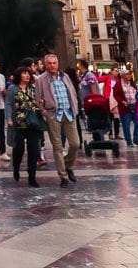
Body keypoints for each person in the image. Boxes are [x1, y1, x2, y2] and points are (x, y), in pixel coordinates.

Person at [34, 53, 80, 188]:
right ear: (46, 64)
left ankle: (68, 165)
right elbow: (38, 99)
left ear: (58, 63)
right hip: (54, 115)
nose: (52, 65)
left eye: (54, 63)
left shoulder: (65, 77)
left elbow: (72, 93)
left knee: (75, 144)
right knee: (58, 146)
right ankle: (63, 176)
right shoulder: (41, 80)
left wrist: (75, 108)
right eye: (49, 63)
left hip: (69, 113)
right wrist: (45, 112)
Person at [11, 65, 45, 187]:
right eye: (24, 73)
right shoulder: (13, 89)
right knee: (19, 148)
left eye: (28, 74)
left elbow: (39, 101)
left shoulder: (33, 88)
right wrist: (8, 118)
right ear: (19, 75)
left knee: (34, 150)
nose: (27, 75)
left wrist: (40, 103)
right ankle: (16, 168)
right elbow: (8, 104)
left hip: (33, 122)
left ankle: (32, 176)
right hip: (19, 123)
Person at [116, 68, 138, 146]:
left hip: (134, 105)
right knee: (126, 125)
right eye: (127, 74)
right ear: (122, 76)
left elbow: (137, 93)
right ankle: (129, 141)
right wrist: (121, 101)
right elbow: (116, 94)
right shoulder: (118, 84)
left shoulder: (132, 83)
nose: (129, 75)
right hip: (125, 107)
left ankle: (136, 139)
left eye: (129, 74)